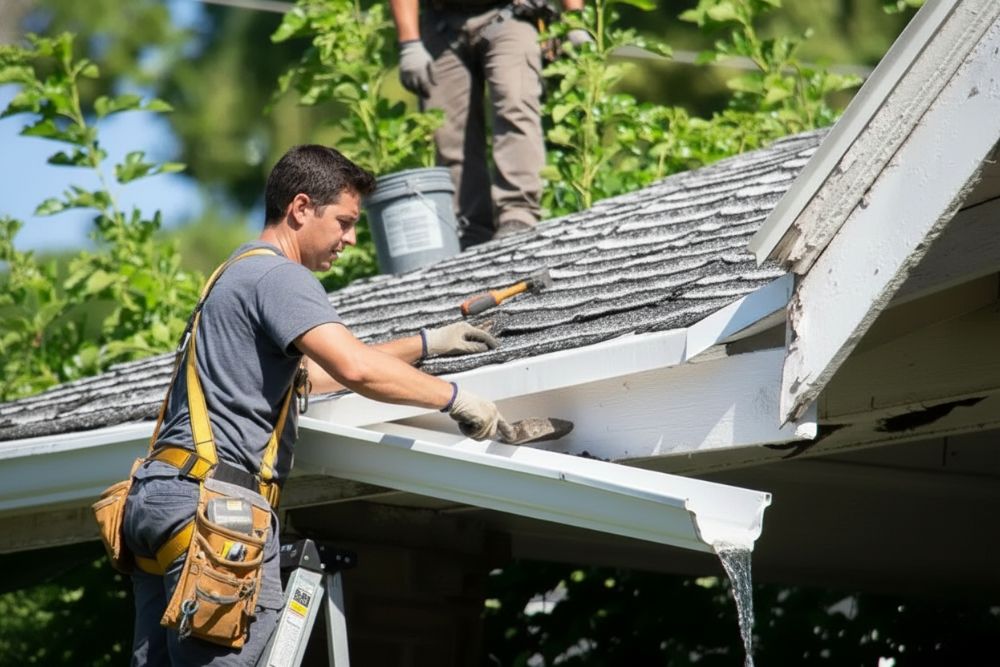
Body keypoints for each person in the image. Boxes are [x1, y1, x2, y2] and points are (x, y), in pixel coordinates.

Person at [121, 144, 513, 665]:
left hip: (156, 503)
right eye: (345, 222)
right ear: (301, 208)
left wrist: (426, 343)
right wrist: (459, 398)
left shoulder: (233, 274)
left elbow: (311, 376)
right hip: (215, 509)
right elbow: (355, 369)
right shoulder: (281, 277)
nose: (351, 239)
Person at [390, 0, 589, 248]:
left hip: (508, 14)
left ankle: (518, 214)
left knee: (514, 102)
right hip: (441, 23)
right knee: (446, 129)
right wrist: (410, 44)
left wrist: (575, 21)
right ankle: (469, 228)